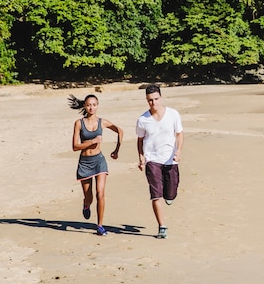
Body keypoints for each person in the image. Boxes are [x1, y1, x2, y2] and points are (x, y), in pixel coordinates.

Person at [69, 93, 123, 236]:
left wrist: (117, 150)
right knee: (89, 196)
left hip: (99, 161)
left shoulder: (102, 122)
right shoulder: (79, 123)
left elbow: (120, 131)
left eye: (94, 104)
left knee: (101, 193)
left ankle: (100, 225)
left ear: (97, 106)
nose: (91, 107)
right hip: (85, 163)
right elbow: (75, 146)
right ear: (85, 106)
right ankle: (86, 205)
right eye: (88, 105)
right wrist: (92, 141)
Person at [136, 84, 184, 239]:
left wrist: (179, 151)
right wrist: (141, 156)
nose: (153, 103)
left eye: (156, 99)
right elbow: (140, 139)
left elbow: (179, 134)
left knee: (170, 193)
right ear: (146, 100)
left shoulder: (173, 114)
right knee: (156, 194)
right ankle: (162, 226)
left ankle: (170, 196)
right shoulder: (143, 119)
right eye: (150, 100)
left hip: (170, 159)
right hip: (152, 160)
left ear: (160, 97)